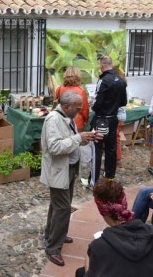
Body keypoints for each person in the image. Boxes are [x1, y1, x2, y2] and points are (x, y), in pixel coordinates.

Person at [40, 90, 103, 267]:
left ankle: (52, 234)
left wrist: (86, 138)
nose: (80, 111)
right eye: (77, 108)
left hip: (67, 168)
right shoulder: (54, 119)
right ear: (66, 106)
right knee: (63, 207)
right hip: (59, 169)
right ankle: (53, 248)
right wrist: (78, 137)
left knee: (58, 204)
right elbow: (54, 147)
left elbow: (69, 141)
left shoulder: (65, 116)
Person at [75, 178, 153, 277]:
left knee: (81, 272)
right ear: (124, 202)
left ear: (102, 211)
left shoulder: (99, 246)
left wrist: (88, 257)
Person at [89, 56, 127, 182]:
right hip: (113, 119)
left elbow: (98, 102)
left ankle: (93, 180)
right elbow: (123, 102)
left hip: (101, 119)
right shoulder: (121, 80)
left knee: (97, 149)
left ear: (102, 65)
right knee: (111, 148)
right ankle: (110, 177)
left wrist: (93, 107)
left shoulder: (103, 80)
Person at [55, 66, 90, 131]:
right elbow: (85, 110)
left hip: (62, 122)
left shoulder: (59, 89)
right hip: (77, 123)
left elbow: (56, 104)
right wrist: (85, 120)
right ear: (78, 76)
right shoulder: (81, 91)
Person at [114, 67, 127, 164]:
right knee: (117, 137)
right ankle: (117, 158)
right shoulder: (123, 86)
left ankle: (117, 159)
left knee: (115, 138)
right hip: (122, 115)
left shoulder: (116, 86)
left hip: (117, 115)